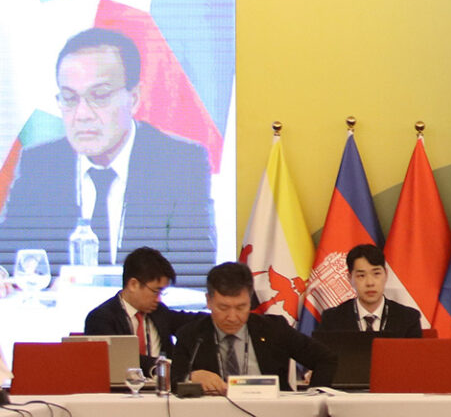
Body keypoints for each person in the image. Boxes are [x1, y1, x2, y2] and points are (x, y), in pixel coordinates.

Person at [0, 28, 214, 269]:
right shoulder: (39, 164)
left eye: (99, 96)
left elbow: (195, 269)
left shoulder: (180, 163)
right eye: (69, 98)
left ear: (134, 98)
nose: (82, 114)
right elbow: (7, 259)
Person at [172, 262, 337, 393]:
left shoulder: (273, 329)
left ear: (250, 301)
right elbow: (173, 381)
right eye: (223, 307)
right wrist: (191, 377)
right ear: (208, 301)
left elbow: (325, 358)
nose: (232, 317)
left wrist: (313, 398)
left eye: (241, 307)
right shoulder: (192, 336)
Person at [83, 246, 205, 371]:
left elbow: (192, 321)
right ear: (133, 284)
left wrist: (216, 312)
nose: (158, 299)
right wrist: (161, 366)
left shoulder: (159, 311)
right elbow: (118, 358)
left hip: (163, 383)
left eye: (162, 293)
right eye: (155, 291)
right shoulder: (101, 318)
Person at [315, 243, 421, 336]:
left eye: (376, 274)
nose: (370, 283)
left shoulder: (408, 319)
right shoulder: (332, 319)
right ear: (350, 278)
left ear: (386, 274)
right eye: (361, 275)